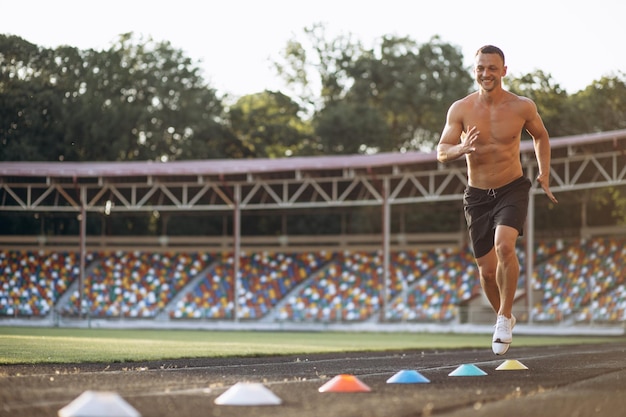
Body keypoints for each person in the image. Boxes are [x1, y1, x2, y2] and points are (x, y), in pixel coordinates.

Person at [436, 45, 558, 355]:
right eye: (481, 68)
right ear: (474, 70)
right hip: (477, 195)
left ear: (504, 71)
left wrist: (544, 172)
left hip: (511, 188)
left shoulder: (522, 107)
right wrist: (458, 151)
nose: (486, 73)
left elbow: (541, 136)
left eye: (492, 68)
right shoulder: (460, 109)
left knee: (505, 245)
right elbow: (440, 152)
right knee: (487, 272)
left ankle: (503, 317)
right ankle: (504, 314)